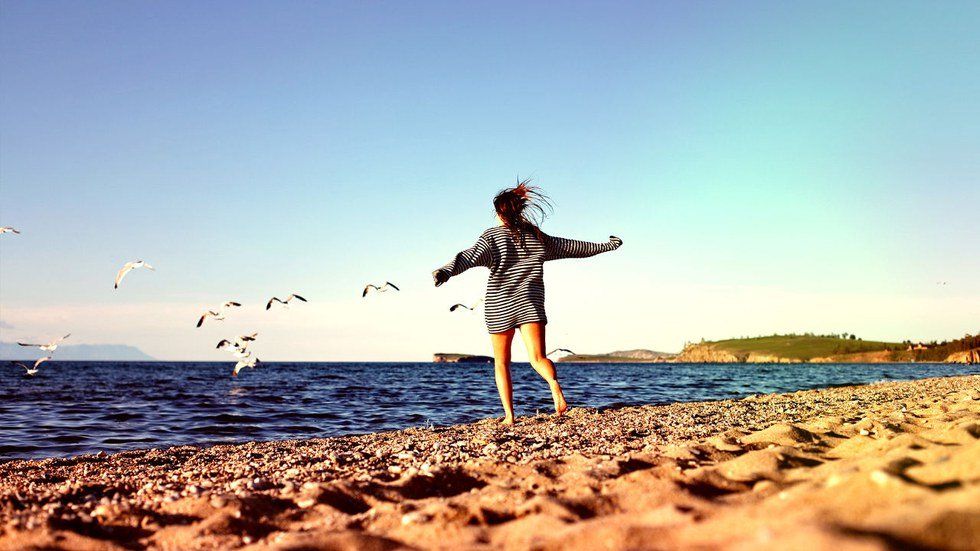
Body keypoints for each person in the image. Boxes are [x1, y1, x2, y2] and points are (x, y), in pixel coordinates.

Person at [433, 181, 622, 424]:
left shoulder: (491, 238)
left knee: (502, 363)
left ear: (499, 212)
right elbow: (575, 247)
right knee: (538, 358)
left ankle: (509, 417)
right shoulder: (536, 237)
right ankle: (554, 385)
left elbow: (468, 257)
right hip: (530, 304)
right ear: (519, 210)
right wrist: (608, 245)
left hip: (499, 306)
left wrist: (445, 271)